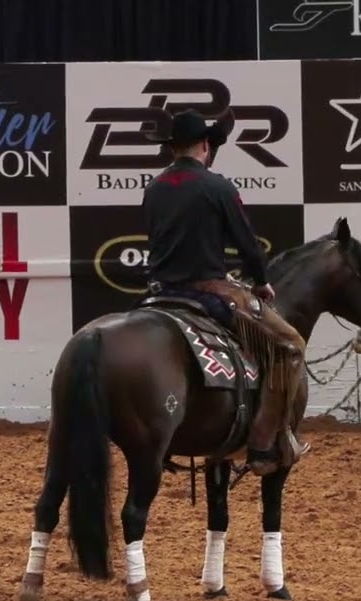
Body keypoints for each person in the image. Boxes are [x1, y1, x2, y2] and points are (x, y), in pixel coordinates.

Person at [140, 108, 309, 477]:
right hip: (209, 290)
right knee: (290, 345)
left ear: (173, 148)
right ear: (204, 145)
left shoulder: (153, 189)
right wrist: (260, 280)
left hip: (158, 294)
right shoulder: (218, 187)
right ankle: (264, 443)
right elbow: (248, 245)